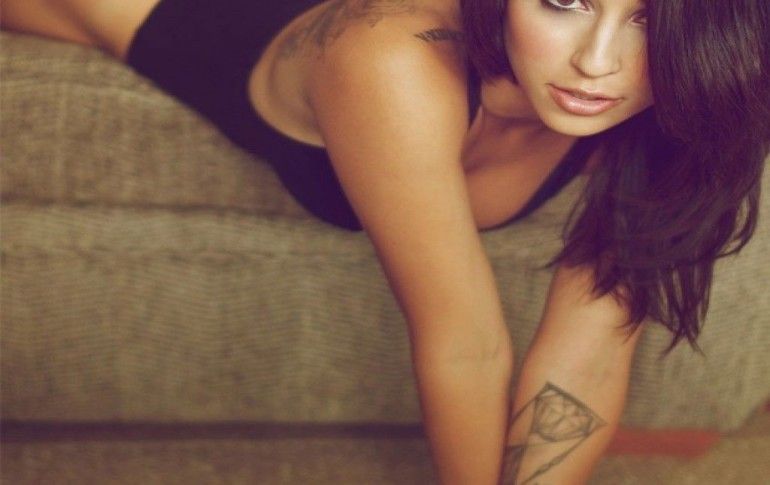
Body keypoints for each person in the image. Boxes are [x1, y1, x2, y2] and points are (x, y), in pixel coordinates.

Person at [2, 1, 768, 483]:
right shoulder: (394, 62)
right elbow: (466, 345)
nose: (596, 63)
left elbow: (590, 350)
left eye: (648, 20)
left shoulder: (682, 102)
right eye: (563, 1)